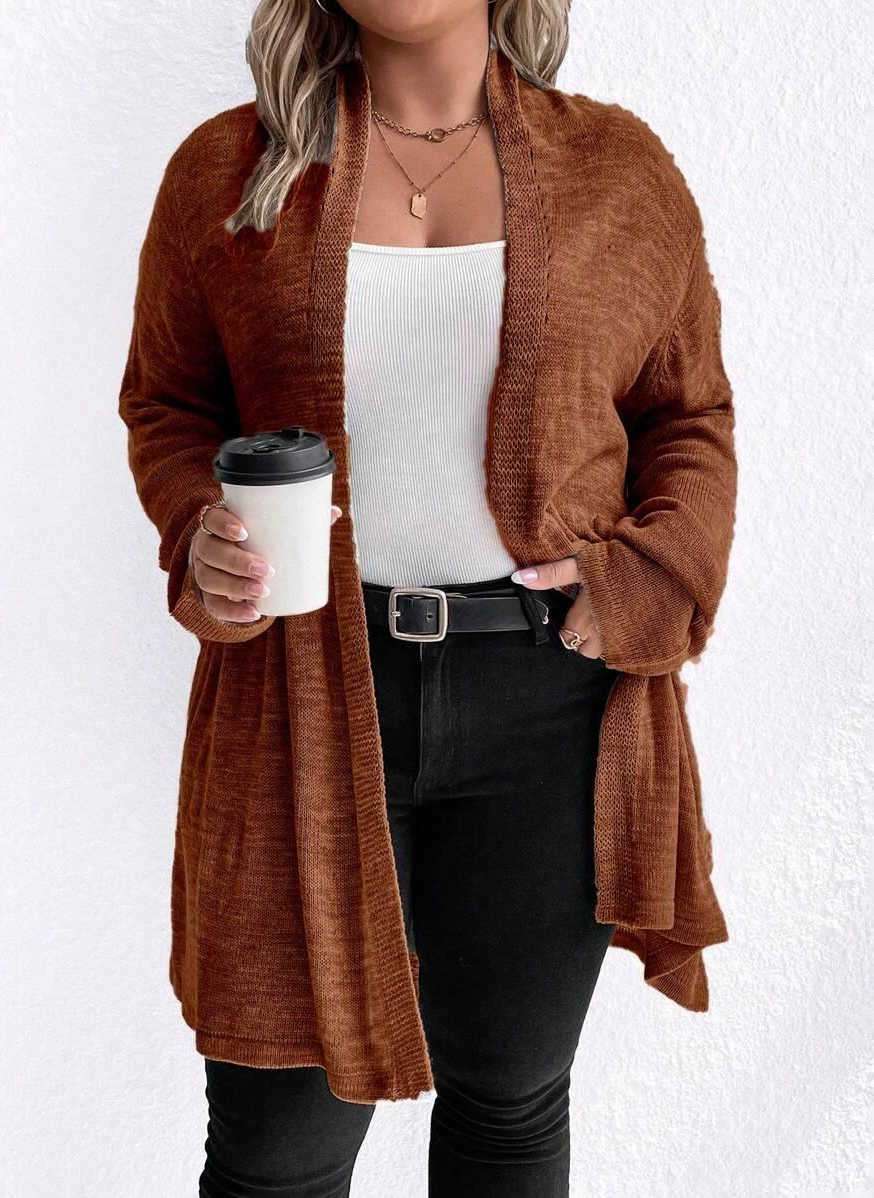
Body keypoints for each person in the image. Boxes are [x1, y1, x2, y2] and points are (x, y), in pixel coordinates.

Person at [118, 1, 738, 1195]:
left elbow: (687, 416)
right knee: (278, 1152)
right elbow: (171, 404)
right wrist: (199, 530)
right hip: (302, 694)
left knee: (510, 1105)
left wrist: (644, 576)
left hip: (549, 701)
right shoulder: (227, 170)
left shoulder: (618, 171)